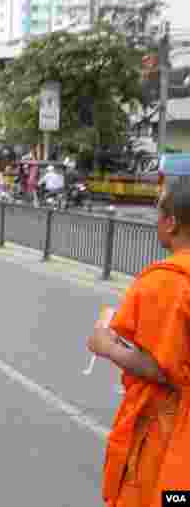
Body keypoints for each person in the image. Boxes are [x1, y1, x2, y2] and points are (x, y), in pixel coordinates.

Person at [88, 183, 190, 505]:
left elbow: (163, 370)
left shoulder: (165, 282)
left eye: (158, 212)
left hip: (170, 431)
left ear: (171, 222)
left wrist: (107, 346)